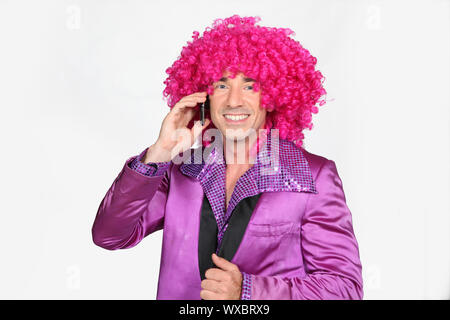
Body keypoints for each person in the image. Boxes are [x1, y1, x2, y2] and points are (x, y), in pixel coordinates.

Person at [92, 15, 363, 300]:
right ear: (204, 96)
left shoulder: (312, 175)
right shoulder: (181, 169)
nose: (234, 101)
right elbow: (109, 235)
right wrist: (159, 152)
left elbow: (344, 289)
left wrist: (249, 291)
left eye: (250, 86)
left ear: (272, 95)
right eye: (222, 85)